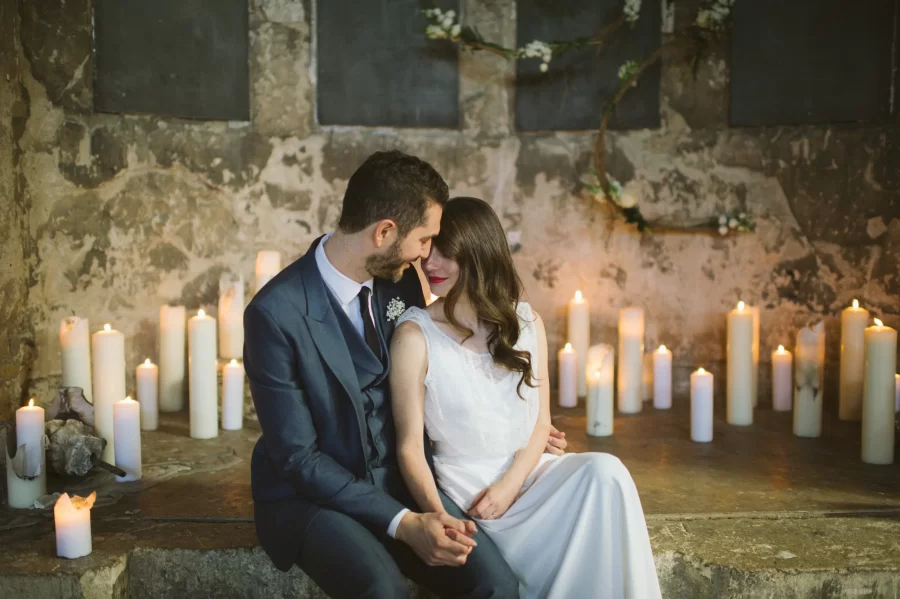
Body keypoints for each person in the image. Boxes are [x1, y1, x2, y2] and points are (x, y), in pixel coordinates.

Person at [244, 151, 565, 598]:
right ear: (384, 233)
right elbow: (299, 459)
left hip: (400, 477)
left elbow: (433, 370)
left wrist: (511, 417)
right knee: (385, 591)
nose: (426, 254)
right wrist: (405, 522)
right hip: (313, 497)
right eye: (423, 239)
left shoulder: (398, 280)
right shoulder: (275, 314)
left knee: (495, 586)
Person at [390, 197, 662, 599]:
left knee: (607, 472)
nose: (430, 266)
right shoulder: (414, 335)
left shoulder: (526, 322)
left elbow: (540, 423)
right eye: (428, 253)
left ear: (480, 254)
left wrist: (511, 483)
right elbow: (410, 446)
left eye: (446, 255)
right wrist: (441, 514)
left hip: (529, 474)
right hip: (471, 490)